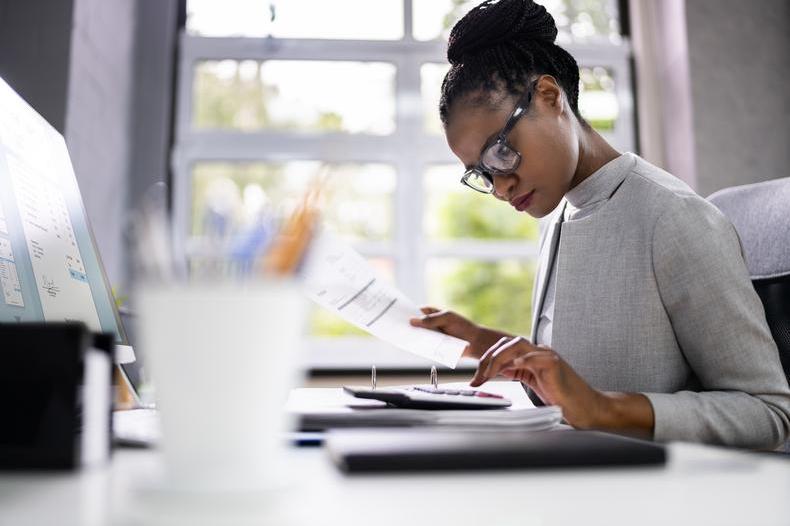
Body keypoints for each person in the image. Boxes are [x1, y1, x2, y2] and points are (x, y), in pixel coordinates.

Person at [410, 0, 790, 449]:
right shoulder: (560, 215)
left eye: (499, 151)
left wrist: (604, 409)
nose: (499, 187)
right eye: (482, 172)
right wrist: (480, 340)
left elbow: (768, 413)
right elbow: (578, 380)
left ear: (550, 98)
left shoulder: (674, 218)